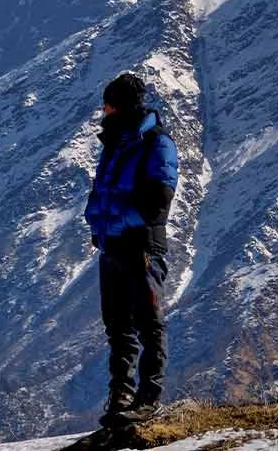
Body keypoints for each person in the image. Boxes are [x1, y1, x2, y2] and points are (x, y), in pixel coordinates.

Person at [83, 72, 179, 426]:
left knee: (148, 324)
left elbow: (158, 201)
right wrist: (100, 227)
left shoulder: (156, 143)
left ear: (123, 105)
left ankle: (148, 399)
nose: (104, 111)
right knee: (117, 327)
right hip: (111, 248)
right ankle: (120, 397)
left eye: (109, 104)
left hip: (140, 248)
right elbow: (103, 193)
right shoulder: (113, 145)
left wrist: (120, 222)